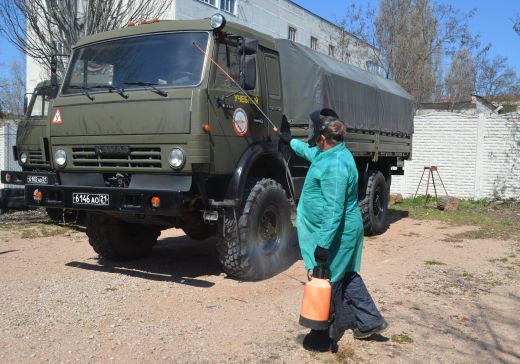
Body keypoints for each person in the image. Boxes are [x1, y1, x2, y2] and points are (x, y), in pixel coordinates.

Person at [278, 108, 388, 353]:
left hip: (338, 232)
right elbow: (309, 153)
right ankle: (370, 321)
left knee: (326, 280)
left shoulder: (336, 165)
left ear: (322, 137)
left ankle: (321, 338)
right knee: (347, 275)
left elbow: (334, 210)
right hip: (339, 230)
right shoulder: (329, 152)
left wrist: (323, 245)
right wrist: (289, 141)